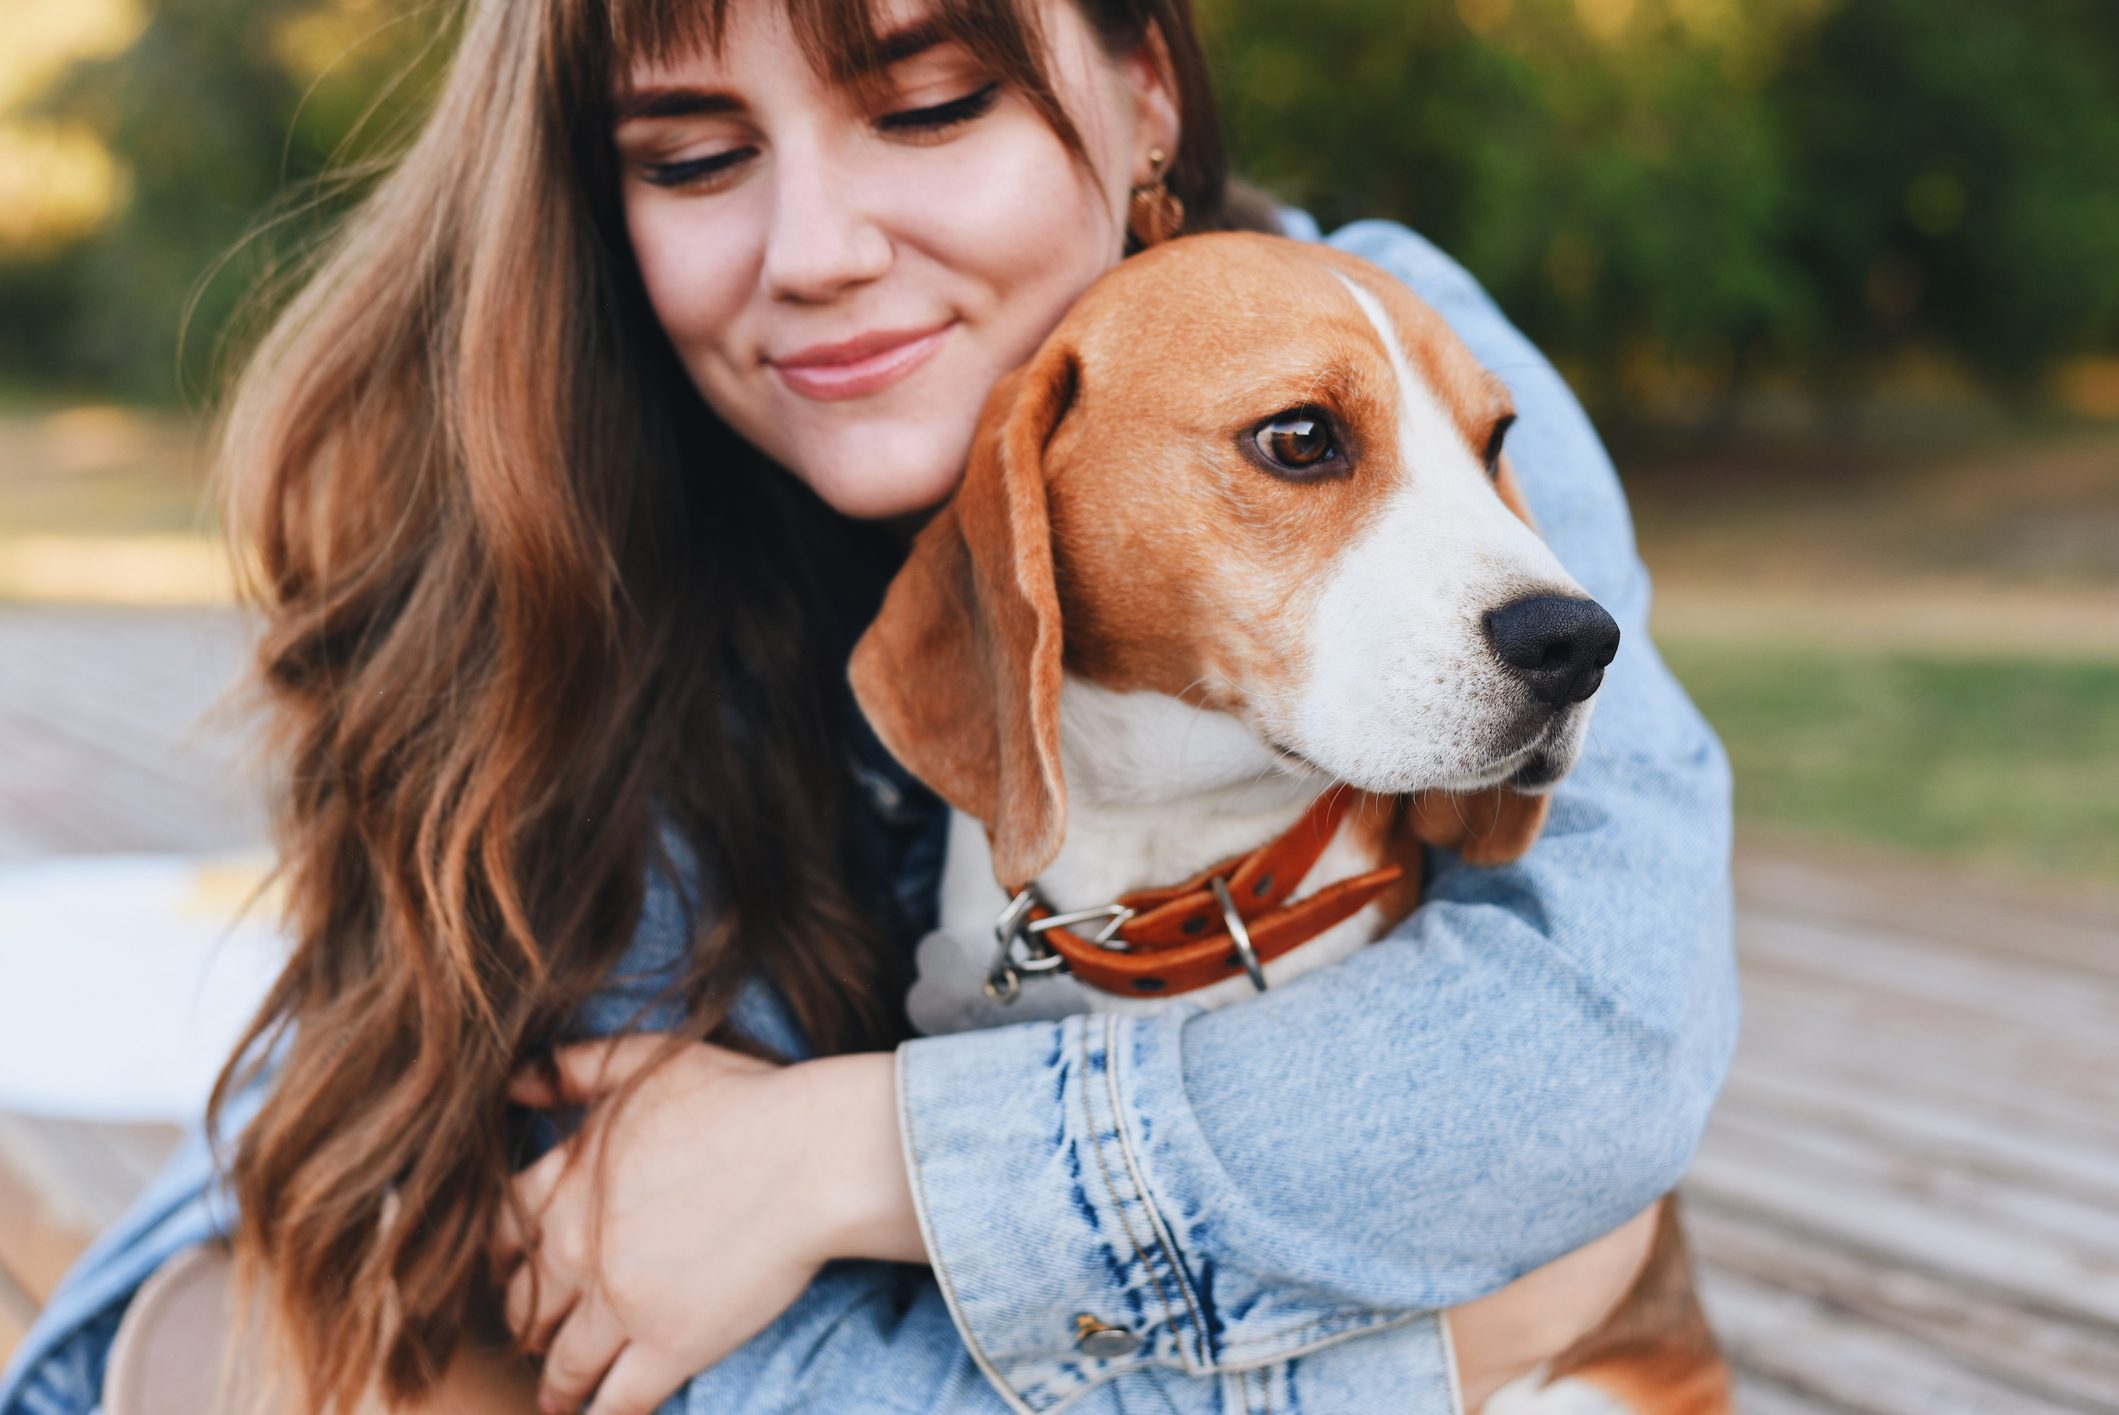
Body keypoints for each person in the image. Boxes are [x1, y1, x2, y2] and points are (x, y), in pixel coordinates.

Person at [0, 0, 1737, 1411]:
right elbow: (643, 1334)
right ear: (597, 210)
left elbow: (1601, 1045)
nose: (818, 250)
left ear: (1144, 96)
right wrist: (1443, 1344)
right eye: (692, 157)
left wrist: (846, 1156)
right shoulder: (589, 565)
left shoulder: (1404, 336)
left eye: (927, 107)